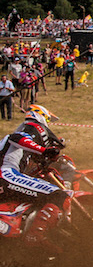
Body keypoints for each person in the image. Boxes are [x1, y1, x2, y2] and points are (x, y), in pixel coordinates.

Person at [0, 105, 67, 254]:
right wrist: (44, 150)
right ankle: (35, 237)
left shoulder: (17, 147)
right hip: (5, 174)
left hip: (6, 178)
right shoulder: (28, 128)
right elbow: (17, 138)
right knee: (58, 194)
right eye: (48, 120)